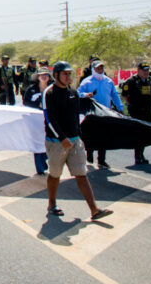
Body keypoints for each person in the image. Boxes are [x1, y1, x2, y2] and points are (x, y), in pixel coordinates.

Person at [43, 61, 113, 220]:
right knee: (55, 174)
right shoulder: (50, 93)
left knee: (81, 174)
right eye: (65, 74)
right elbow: (49, 118)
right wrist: (62, 138)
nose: (68, 77)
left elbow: (76, 117)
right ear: (56, 76)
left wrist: (78, 136)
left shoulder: (73, 93)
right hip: (56, 143)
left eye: (70, 74)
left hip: (75, 141)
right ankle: (52, 203)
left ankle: (94, 209)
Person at [78, 60, 123, 169]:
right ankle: (89, 158)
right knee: (90, 136)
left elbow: (114, 95)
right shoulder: (87, 81)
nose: (100, 70)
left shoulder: (108, 81)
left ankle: (102, 160)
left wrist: (120, 108)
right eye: (98, 68)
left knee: (104, 137)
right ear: (93, 69)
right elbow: (78, 93)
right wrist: (85, 94)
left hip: (105, 113)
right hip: (92, 114)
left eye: (101, 68)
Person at [121, 63, 151, 165]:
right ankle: (137, 156)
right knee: (138, 133)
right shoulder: (131, 81)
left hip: (148, 111)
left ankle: (141, 154)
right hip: (136, 111)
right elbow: (125, 95)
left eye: (147, 70)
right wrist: (132, 105)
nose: (146, 72)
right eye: (144, 70)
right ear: (138, 70)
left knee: (145, 134)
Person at [23, 66, 53, 175]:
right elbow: (26, 102)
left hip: (49, 121)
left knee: (49, 143)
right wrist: (37, 105)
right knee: (37, 144)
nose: (43, 77)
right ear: (38, 77)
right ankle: (40, 169)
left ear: (49, 77)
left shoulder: (53, 88)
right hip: (35, 121)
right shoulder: (31, 89)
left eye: (46, 75)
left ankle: (44, 159)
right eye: (41, 75)